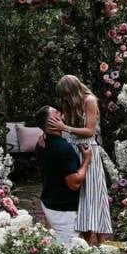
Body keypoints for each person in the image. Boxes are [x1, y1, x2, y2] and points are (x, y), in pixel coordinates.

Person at [47, 75, 113, 245]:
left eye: (66, 95)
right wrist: (45, 134)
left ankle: (102, 243)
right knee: (80, 198)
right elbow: (58, 123)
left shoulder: (89, 100)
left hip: (87, 150)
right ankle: (85, 242)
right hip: (72, 150)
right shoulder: (69, 102)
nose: (65, 99)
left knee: (94, 195)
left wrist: (65, 128)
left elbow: (90, 131)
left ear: (73, 90)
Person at [34, 105, 93, 244]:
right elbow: (74, 183)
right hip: (63, 209)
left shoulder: (42, 142)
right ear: (52, 121)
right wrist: (87, 160)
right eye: (56, 113)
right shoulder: (62, 148)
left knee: (59, 243)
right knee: (68, 249)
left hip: (50, 201)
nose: (60, 113)